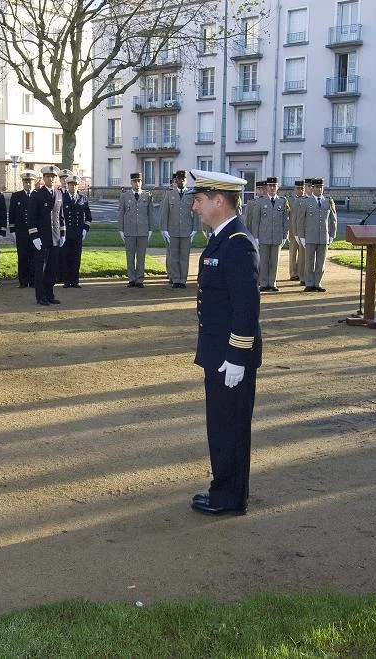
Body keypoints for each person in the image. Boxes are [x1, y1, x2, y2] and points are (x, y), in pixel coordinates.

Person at [187, 169, 260, 516]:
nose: (195, 207)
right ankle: (223, 488)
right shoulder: (222, 238)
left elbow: (247, 308)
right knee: (220, 424)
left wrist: (236, 355)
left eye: (199, 200)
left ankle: (230, 497)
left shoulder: (238, 243)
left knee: (230, 427)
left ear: (220, 200)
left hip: (231, 356)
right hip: (218, 353)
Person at [28, 164, 66, 305]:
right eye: (48, 176)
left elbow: (60, 216)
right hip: (42, 238)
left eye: (53, 177)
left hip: (55, 237)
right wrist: (34, 237)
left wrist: (62, 234)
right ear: (43, 178)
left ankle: (50, 294)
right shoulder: (37, 194)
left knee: (52, 269)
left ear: (56, 179)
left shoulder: (59, 194)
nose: (51, 179)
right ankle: (40, 296)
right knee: (41, 269)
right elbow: (31, 218)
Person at [246, 176, 288, 292]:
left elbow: (285, 220)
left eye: (274, 186)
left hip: (277, 236)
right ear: (267, 187)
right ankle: (264, 283)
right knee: (264, 261)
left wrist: (285, 235)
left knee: (275, 261)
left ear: (277, 187)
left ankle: (272, 283)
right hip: (263, 236)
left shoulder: (282, 201)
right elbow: (256, 221)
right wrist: (256, 237)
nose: (272, 188)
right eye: (270, 186)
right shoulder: (260, 201)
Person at [295, 177, 337, 292]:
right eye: (317, 187)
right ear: (312, 188)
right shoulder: (305, 202)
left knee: (320, 261)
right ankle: (309, 283)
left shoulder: (328, 201)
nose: (319, 189)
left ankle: (317, 283)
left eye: (321, 187)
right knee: (309, 261)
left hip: (323, 236)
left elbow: (333, 220)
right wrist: (301, 236)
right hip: (310, 236)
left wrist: (332, 234)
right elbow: (300, 221)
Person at [161, 169, 201, 288]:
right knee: (174, 256)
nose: (181, 181)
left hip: (186, 230)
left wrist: (194, 229)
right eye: (179, 179)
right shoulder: (169, 194)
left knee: (184, 256)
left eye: (184, 179)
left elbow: (196, 212)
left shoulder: (191, 194)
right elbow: (164, 213)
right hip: (172, 230)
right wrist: (164, 229)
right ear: (176, 180)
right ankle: (175, 279)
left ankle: (183, 280)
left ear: (186, 181)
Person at [118, 171, 153, 287]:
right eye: (134, 181)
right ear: (131, 183)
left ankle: (140, 279)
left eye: (139, 181)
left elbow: (150, 214)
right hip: (129, 230)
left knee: (141, 256)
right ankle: (131, 279)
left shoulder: (147, 196)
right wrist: (121, 229)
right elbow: (121, 213)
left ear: (141, 182)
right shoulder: (124, 196)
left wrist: (150, 229)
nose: (137, 184)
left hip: (143, 230)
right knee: (130, 256)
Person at [61, 174, 91, 288]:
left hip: (78, 233)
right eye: (71, 185)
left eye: (75, 185)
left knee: (76, 257)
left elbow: (88, 217)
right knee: (66, 257)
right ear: (67, 185)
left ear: (78, 186)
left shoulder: (83, 199)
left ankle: (75, 281)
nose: (73, 187)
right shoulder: (62, 198)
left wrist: (85, 230)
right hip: (66, 233)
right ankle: (66, 281)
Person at [8, 170, 37, 288]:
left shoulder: (37, 195)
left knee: (34, 257)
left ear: (34, 182)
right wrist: (13, 231)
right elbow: (12, 215)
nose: (28, 184)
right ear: (22, 182)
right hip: (21, 232)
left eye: (30, 181)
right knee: (23, 257)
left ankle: (34, 280)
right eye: (25, 181)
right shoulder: (16, 196)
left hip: (35, 232)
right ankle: (23, 281)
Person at [287, 179, 306, 284]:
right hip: (292, 231)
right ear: (294, 189)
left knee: (302, 254)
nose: (300, 190)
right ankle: (293, 273)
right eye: (298, 188)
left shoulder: (306, 200)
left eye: (302, 188)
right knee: (293, 253)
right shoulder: (289, 200)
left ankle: (301, 272)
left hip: (302, 231)